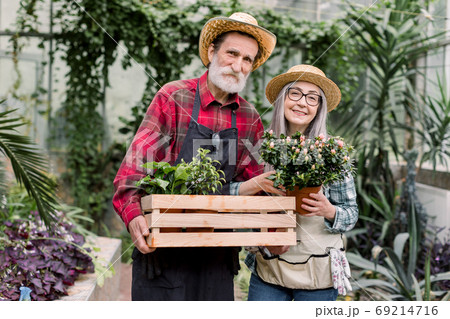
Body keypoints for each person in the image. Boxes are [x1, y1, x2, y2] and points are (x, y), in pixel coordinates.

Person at [112, 12, 276, 301]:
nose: (238, 65)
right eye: (232, 53)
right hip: (163, 252)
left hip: (217, 256)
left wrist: (274, 227)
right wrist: (134, 214)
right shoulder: (174, 97)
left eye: (247, 60)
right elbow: (134, 167)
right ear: (212, 51)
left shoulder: (250, 118)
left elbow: (258, 189)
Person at [231, 64, 358, 301]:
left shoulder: (333, 153)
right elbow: (232, 201)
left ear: (319, 108)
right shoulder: (259, 148)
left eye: (313, 98)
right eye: (295, 93)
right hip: (269, 271)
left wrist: (329, 210)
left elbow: (351, 214)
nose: (302, 102)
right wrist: (262, 238)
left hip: (318, 275)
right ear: (282, 99)